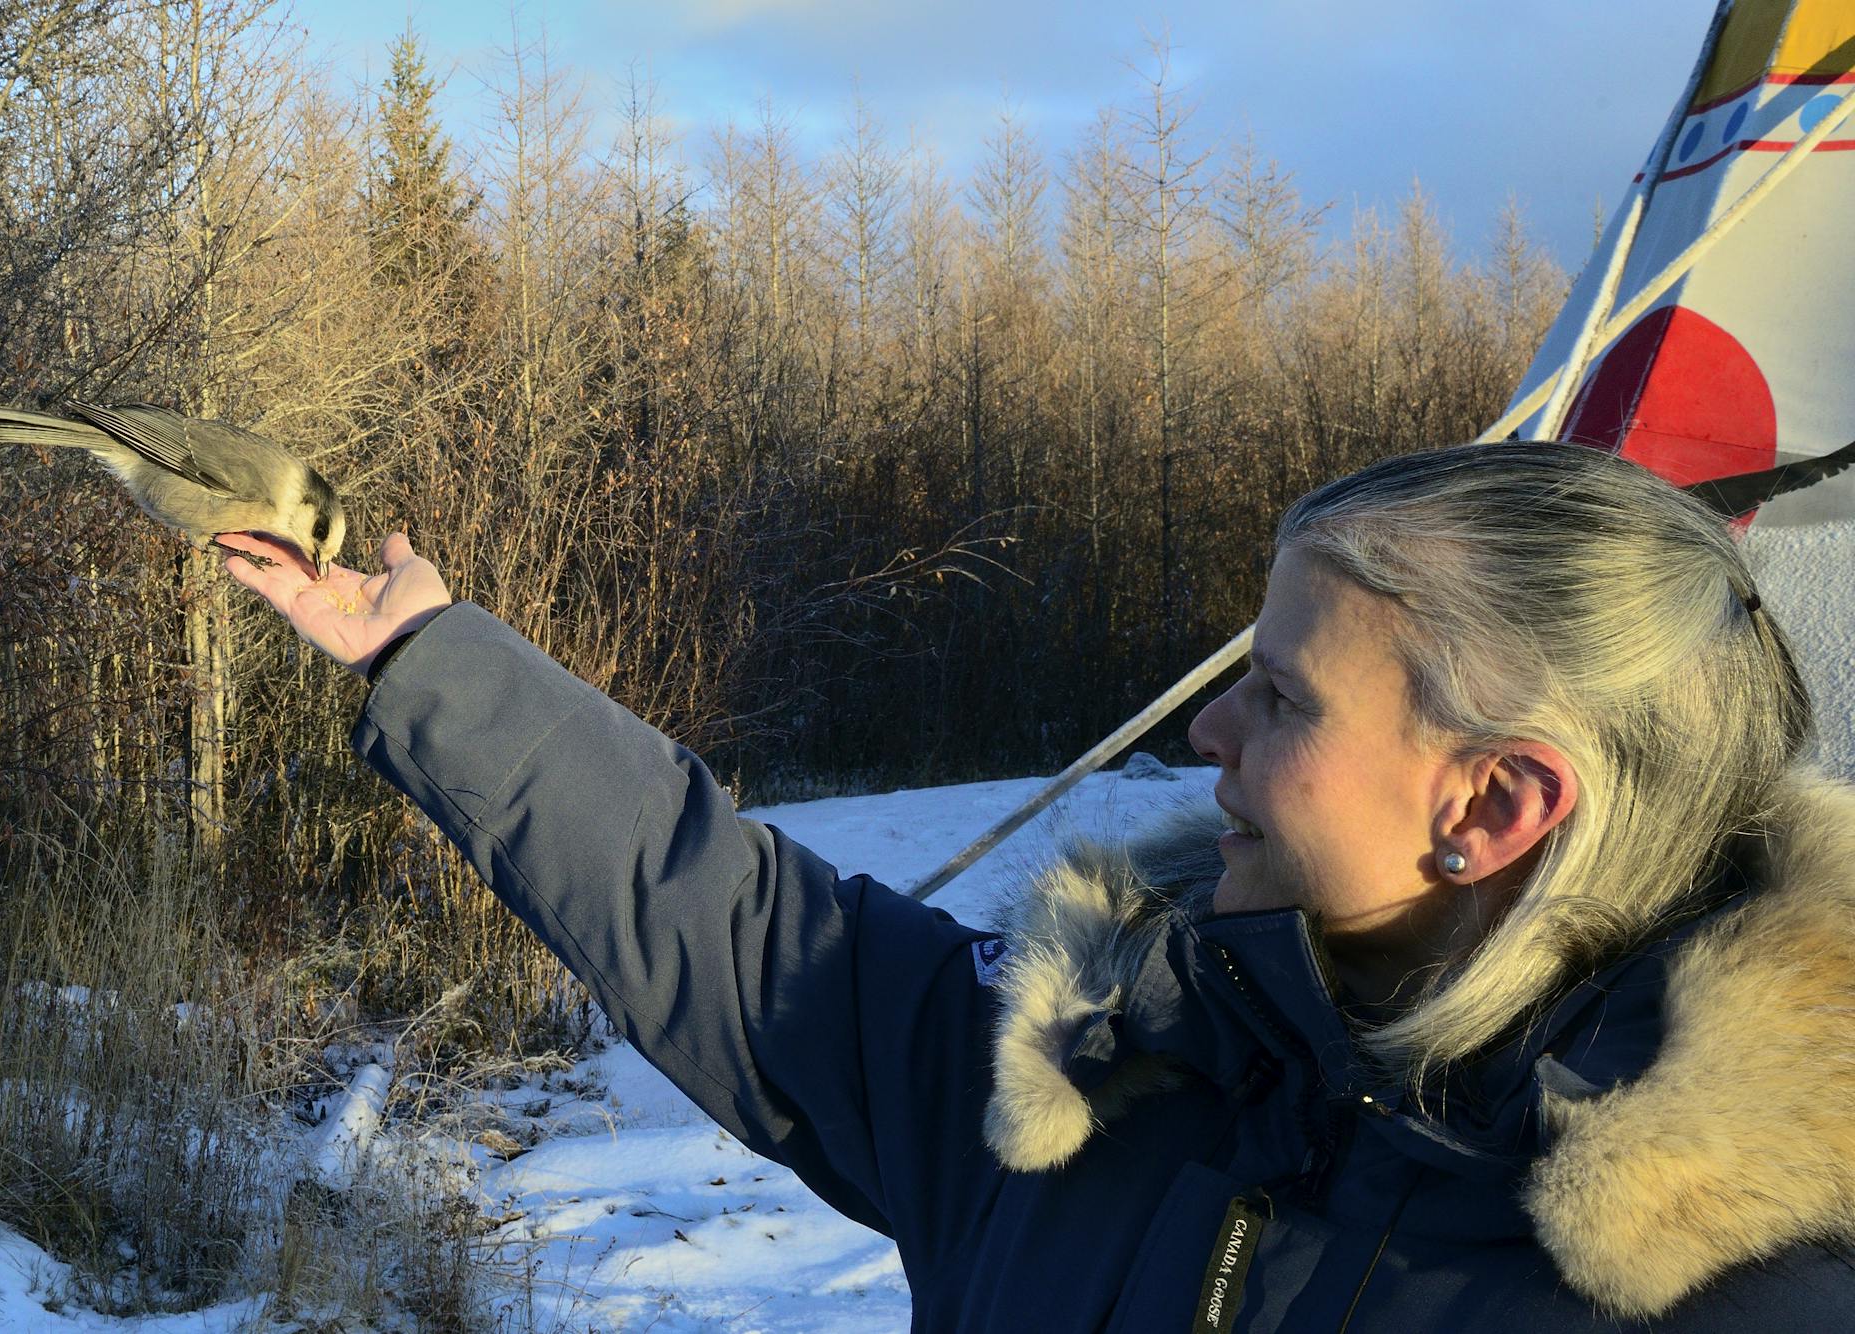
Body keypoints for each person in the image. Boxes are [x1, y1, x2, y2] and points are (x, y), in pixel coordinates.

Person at [223, 441, 1855, 1331]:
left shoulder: (1736, 1292)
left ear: (1490, 802)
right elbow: (737, 929)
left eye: (1284, 694)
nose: (1211, 724)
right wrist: (427, 660)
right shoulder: (1106, 1074)